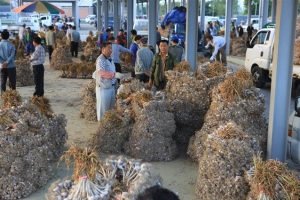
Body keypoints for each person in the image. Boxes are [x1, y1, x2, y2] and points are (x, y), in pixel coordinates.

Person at [95, 42, 117, 122]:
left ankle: (107, 126)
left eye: (111, 48)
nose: (110, 50)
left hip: (111, 87)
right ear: (103, 49)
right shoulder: (101, 59)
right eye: (108, 48)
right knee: (102, 110)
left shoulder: (110, 59)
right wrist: (114, 75)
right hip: (104, 89)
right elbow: (101, 72)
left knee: (110, 109)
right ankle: (101, 126)